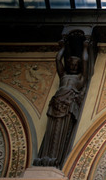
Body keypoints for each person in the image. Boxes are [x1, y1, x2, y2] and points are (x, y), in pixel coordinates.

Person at [33, 37, 89, 167]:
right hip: (57, 102)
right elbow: (58, 60)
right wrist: (63, 47)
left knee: (62, 131)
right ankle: (48, 157)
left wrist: (86, 47)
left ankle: (54, 158)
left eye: (76, 65)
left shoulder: (81, 78)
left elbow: (86, 61)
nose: (74, 66)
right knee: (52, 130)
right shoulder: (63, 76)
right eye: (72, 64)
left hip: (68, 103)